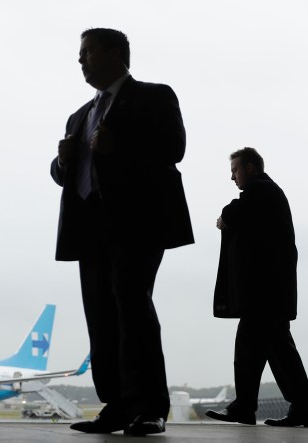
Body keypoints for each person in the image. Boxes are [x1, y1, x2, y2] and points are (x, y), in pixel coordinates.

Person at [50, 28, 193, 435]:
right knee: (100, 316)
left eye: (88, 52)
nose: (81, 60)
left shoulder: (154, 95)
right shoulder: (79, 115)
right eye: (80, 54)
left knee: (132, 309)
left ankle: (150, 406)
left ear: (116, 54)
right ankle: (116, 404)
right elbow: (66, 173)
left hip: (137, 223)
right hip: (89, 228)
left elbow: (175, 148)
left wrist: (120, 144)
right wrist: (60, 162)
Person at [206, 148, 308, 427]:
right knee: (268, 350)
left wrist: (224, 219)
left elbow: (234, 212)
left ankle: (253, 407)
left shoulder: (261, 191)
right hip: (270, 294)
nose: (232, 177)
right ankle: (279, 408)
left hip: (265, 295)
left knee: (258, 349)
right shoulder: (268, 193)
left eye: (235, 170)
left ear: (251, 167)